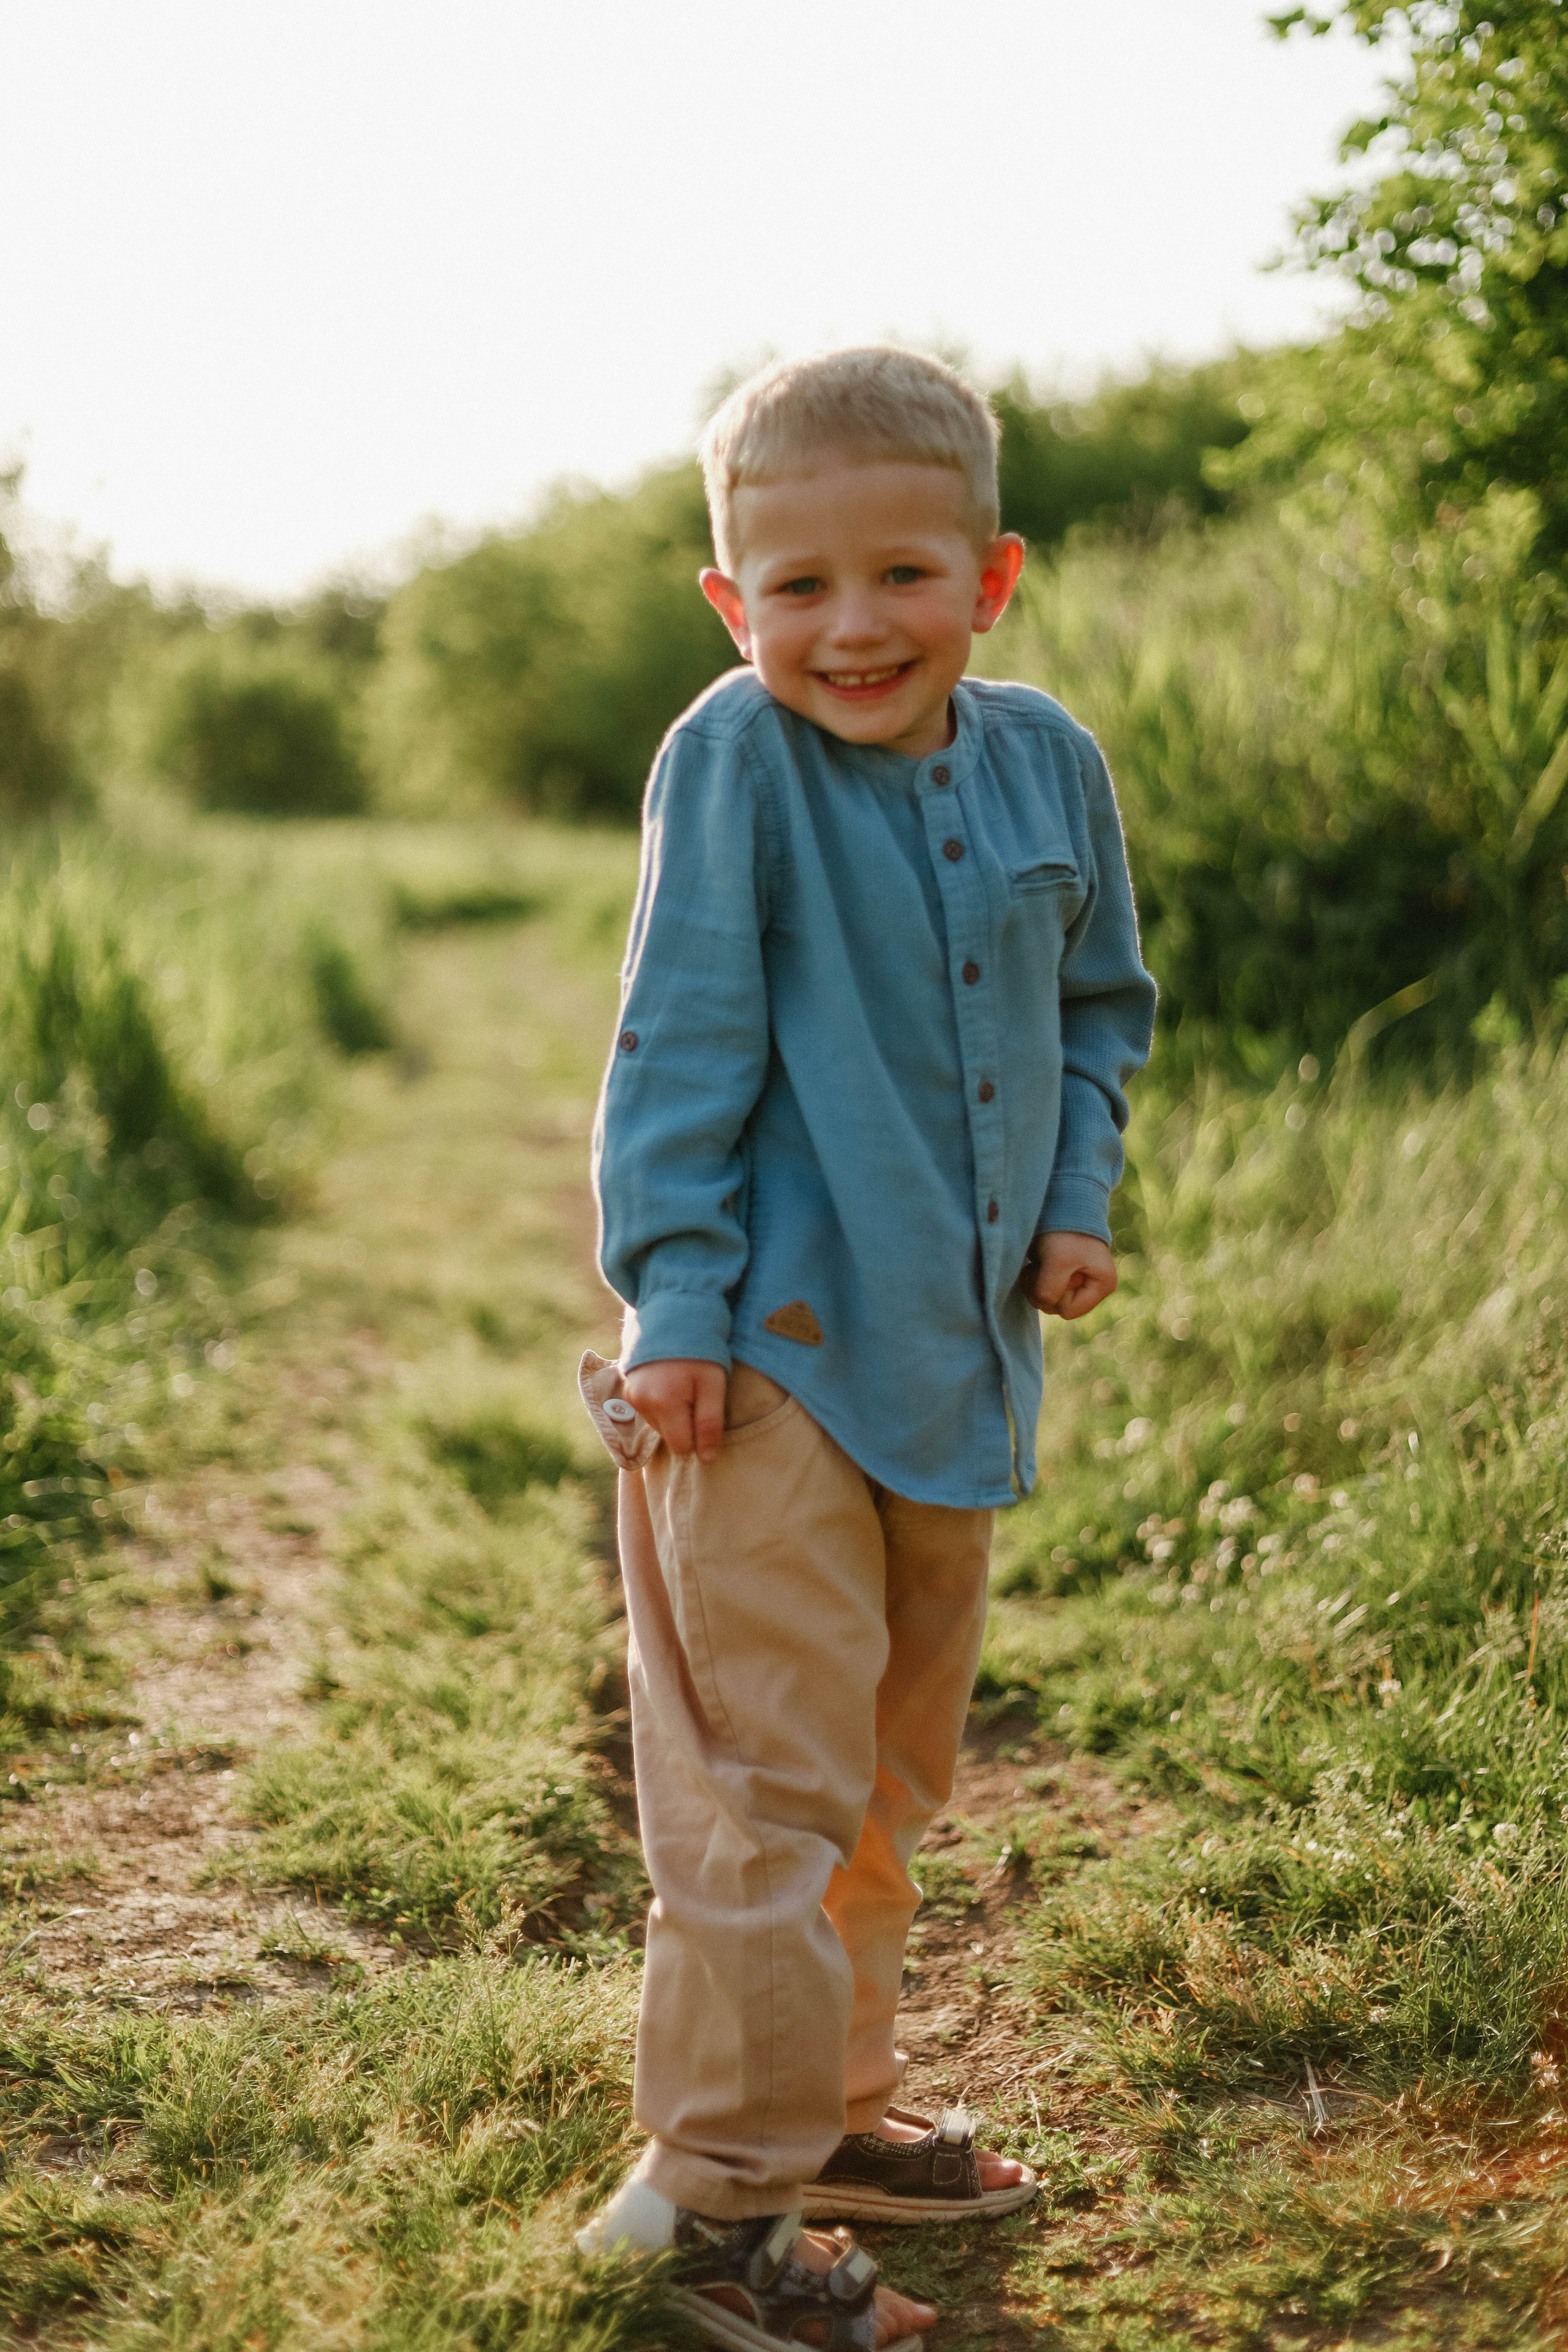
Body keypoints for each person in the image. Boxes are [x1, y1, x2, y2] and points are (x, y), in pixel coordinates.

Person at [575, 346, 1155, 2351]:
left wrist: (1076, 1194)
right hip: (764, 1366)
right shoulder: (734, 760)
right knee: (765, 1791)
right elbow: (680, 1049)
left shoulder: (1049, 763)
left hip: (958, 1363)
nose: (850, 627)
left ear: (991, 579)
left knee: (886, 1784)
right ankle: (707, 2223)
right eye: (796, 588)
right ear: (734, 603)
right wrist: (673, 1306)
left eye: (898, 575)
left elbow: (1102, 1008)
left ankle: (830, 2114)